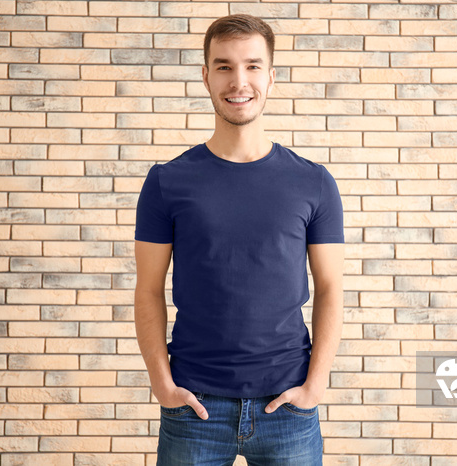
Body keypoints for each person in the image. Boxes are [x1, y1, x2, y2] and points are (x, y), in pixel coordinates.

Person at [134, 14, 344, 465]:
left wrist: (316, 384)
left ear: (271, 75)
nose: (239, 81)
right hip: (195, 409)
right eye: (224, 66)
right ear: (206, 75)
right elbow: (148, 289)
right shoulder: (167, 182)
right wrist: (161, 383)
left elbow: (331, 288)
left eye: (252, 66)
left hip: (287, 409)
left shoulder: (314, 183)